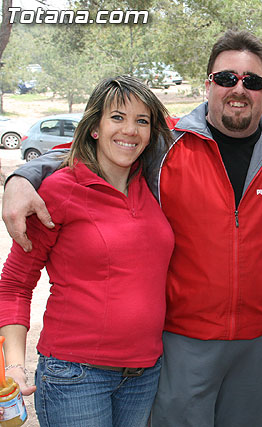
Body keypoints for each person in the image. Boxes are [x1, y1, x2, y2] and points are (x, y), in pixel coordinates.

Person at [1, 31, 262, 427]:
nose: (239, 88)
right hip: (182, 339)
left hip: (261, 343)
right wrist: (22, 177)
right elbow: (93, 148)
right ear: (208, 83)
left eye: (253, 81)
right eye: (227, 77)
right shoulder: (163, 143)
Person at [0, 75, 175, 426]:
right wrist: (14, 365)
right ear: (94, 126)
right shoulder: (59, 189)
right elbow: (15, 284)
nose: (130, 130)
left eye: (142, 121)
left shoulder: (155, 185)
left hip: (143, 373)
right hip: (76, 376)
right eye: (117, 117)